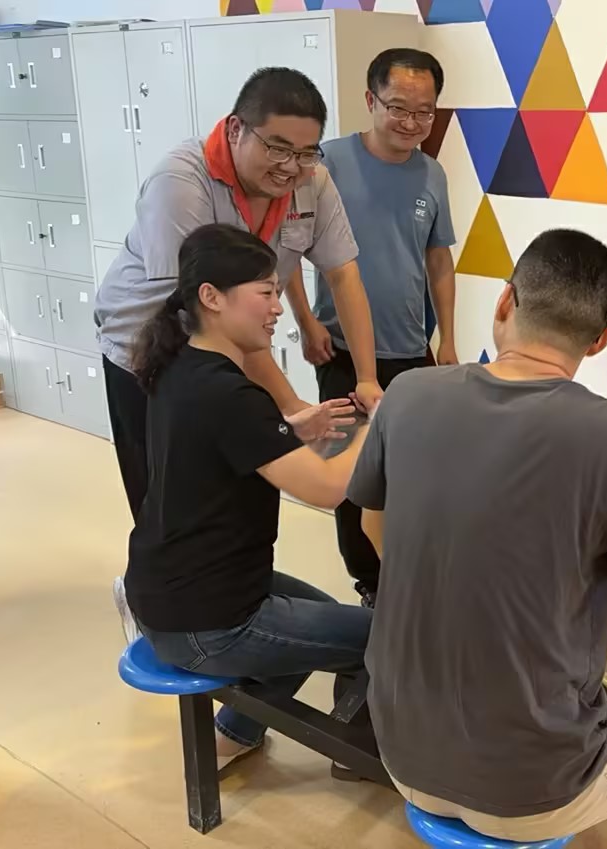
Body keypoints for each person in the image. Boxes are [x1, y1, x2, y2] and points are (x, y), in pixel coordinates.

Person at [349, 229, 607, 849]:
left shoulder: (406, 394)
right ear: (600, 341)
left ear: (504, 302)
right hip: (532, 786)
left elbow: (374, 529)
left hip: (401, 752)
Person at [96, 67, 374, 640]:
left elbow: (342, 275)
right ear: (235, 129)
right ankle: (165, 613)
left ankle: (221, 598)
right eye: (277, 147)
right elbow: (211, 321)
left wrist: (364, 379)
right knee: (166, 494)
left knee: (234, 484)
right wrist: (297, 410)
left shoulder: (311, 182)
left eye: (306, 152)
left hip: (217, 350)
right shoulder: (181, 183)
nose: (291, 166)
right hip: (146, 347)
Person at [123, 223, 373, 770]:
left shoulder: (181, 365)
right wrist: (377, 428)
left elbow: (225, 443)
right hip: (209, 622)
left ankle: (235, 733)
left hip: (171, 592)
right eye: (266, 293)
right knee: (387, 636)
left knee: (324, 616)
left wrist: (289, 429)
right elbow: (328, 489)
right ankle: (365, 757)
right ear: (212, 297)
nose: (278, 308)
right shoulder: (228, 393)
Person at [285, 48, 457, 606]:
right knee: (351, 478)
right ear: (370, 100)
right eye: (398, 107)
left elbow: (438, 261)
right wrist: (306, 320)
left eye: (424, 112)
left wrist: (448, 339)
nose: (411, 122)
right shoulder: (326, 164)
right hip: (338, 350)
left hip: (410, 350)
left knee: (411, 474)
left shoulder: (432, 173)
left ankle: (409, 578)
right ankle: (371, 586)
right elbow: (288, 249)